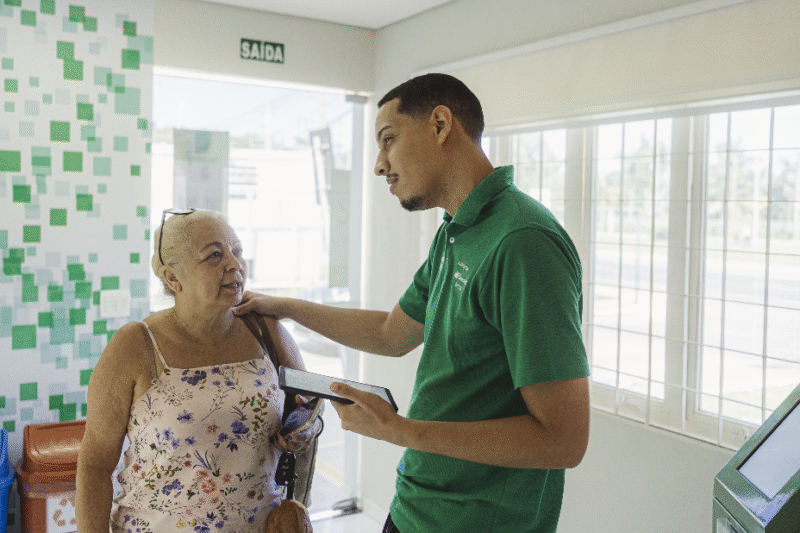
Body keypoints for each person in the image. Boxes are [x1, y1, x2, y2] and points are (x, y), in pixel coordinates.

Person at [234, 73, 590, 533]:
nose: (379, 165)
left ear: (441, 124)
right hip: (416, 507)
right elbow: (391, 333)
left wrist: (398, 429)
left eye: (388, 141)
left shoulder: (522, 242)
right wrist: (285, 307)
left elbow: (563, 440)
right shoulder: (457, 231)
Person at [76, 209, 320, 533]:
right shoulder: (135, 345)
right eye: (214, 255)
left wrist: (304, 430)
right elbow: (94, 466)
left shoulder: (267, 333)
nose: (235, 265)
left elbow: (308, 411)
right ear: (172, 278)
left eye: (238, 251)